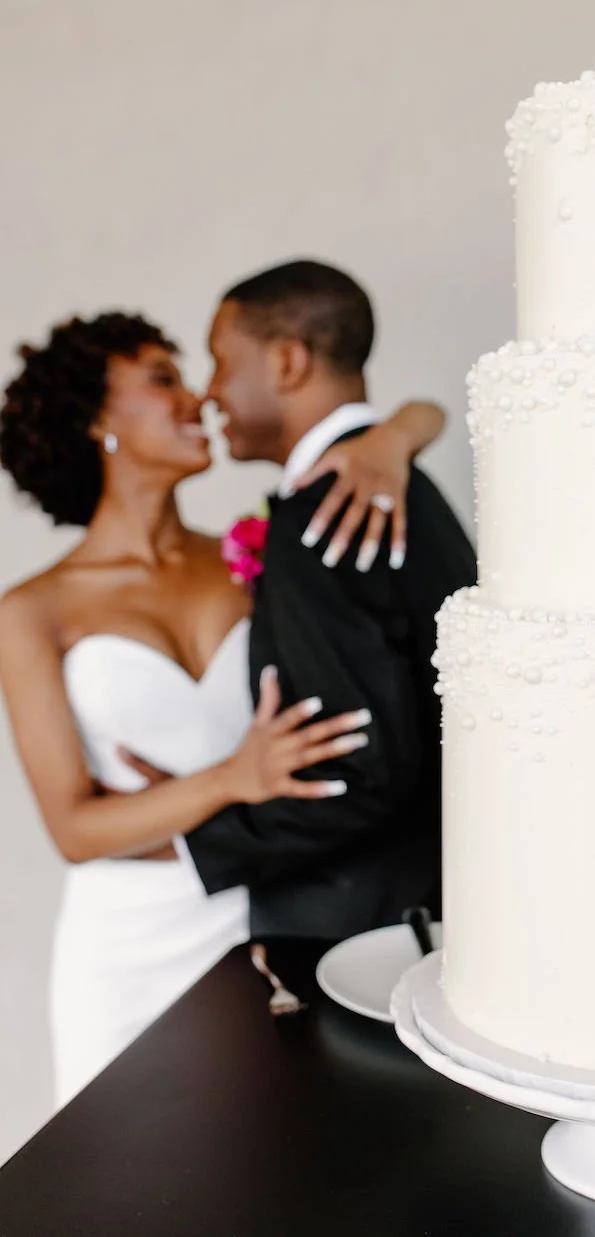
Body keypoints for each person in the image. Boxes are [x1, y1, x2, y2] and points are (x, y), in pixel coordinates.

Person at [0, 310, 446, 1107]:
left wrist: (398, 434)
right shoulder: (33, 611)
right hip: (134, 928)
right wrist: (233, 776)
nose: (198, 398)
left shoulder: (258, 551)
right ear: (98, 417)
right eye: (163, 379)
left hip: (271, 909)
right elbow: (74, 828)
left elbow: (410, 422)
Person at [131, 260, 477, 942]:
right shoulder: (404, 487)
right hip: (438, 897)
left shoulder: (325, 515)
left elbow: (359, 773)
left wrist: (187, 840)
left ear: (288, 362)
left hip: (360, 930)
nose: (211, 392)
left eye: (222, 363)